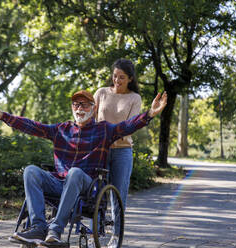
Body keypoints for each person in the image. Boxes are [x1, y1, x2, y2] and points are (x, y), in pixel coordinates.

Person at [0, 89, 167, 246]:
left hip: (87, 186)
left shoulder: (104, 130)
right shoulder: (61, 129)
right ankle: (39, 228)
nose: (79, 108)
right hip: (60, 183)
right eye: (76, 104)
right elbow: (31, 126)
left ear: (94, 107)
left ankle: (55, 230)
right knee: (31, 170)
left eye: (84, 104)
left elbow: (128, 125)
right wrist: (0, 114)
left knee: (74, 172)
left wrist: (150, 113)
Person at [93, 58, 142, 247]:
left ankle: (116, 236)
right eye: (115, 76)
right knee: (96, 193)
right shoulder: (101, 93)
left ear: (130, 78)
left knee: (118, 195)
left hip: (122, 152)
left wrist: (110, 133)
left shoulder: (134, 98)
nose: (117, 80)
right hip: (101, 150)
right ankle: (95, 233)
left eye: (122, 77)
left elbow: (130, 126)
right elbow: (91, 119)